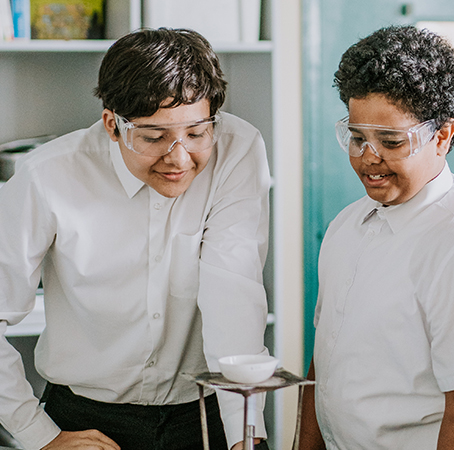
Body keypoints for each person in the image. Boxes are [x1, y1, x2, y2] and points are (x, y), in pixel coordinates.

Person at [0, 28, 272, 450]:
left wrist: (245, 434)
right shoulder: (47, 175)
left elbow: (233, 292)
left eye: (197, 134)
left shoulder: (238, 150)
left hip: (204, 410)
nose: (179, 158)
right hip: (83, 416)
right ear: (112, 124)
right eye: (153, 137)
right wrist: (40, 437)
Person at [297, 25, 454, 450]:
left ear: (441, 136)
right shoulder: (346, 225)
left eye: (390, 141)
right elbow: (323, 361)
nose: (369, 158)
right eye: (356, 137)